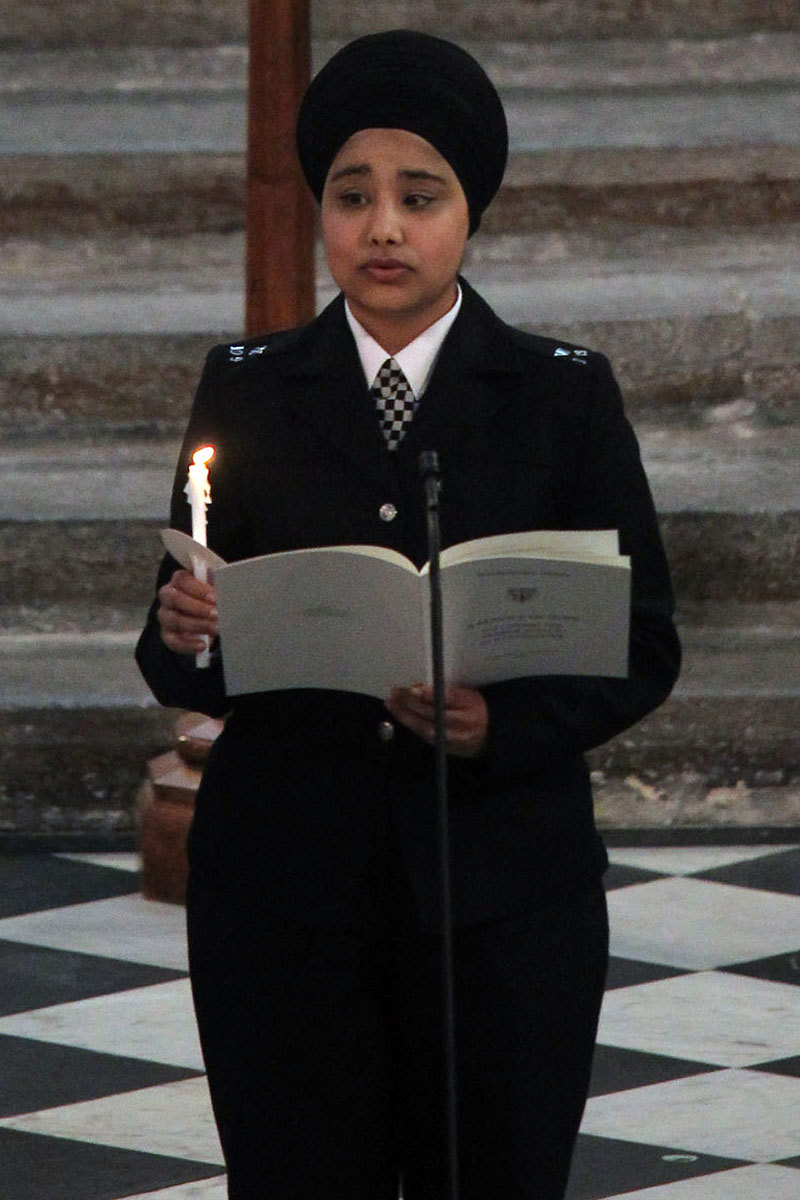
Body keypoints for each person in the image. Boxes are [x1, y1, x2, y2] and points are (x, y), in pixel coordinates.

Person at [136, 30, 680, 1200]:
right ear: (320, 212)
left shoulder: (559, 395)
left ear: (468, 212)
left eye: (418, 197)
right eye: (352, 197)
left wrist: (501, 724)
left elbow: (641, 641)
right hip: (286, 890)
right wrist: (189, 629)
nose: (382, 228)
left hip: (500, 892)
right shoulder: (250, 387)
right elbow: (180, 653)